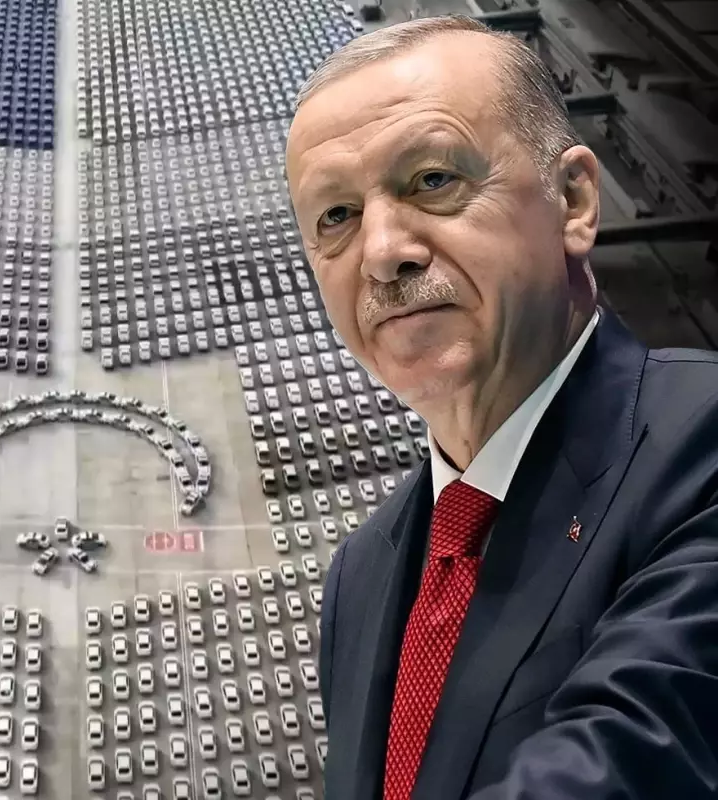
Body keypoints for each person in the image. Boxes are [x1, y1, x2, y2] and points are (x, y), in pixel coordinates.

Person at [285, 14, 718, 800]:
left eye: (432, 180)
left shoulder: (702, 443)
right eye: (336, 217)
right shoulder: (360, 576)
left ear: (574, 200)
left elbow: (636, 756)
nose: (382, 253)